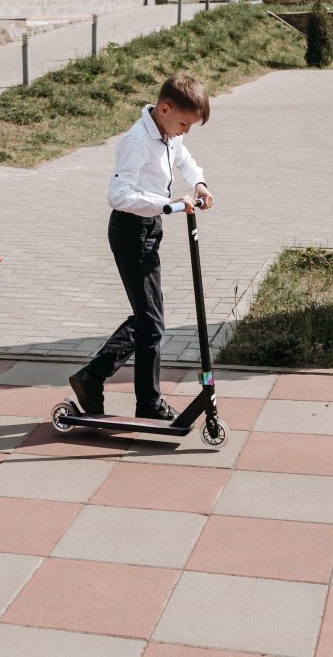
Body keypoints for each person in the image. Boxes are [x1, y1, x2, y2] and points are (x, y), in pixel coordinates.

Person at [69, 74, 214, 421]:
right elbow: (118, 195)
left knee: (150, 318)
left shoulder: (167, 132)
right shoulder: (136, 141)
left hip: (149, 228)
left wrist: (199, 183)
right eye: (184, 123)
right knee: (152, 322)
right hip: (130, 230)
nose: (185, 131)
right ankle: (145, 401)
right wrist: (165, 203)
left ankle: (92, 376)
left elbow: (186, 159)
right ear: (164, 108)